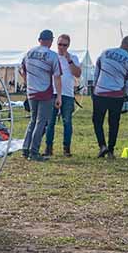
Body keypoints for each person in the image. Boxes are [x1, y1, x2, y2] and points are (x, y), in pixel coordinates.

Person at [19, 29, 63, 162]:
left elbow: (22, 71)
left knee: (33, 120)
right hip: (45, 92)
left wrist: (29, 84)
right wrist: (59, 96)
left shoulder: (29, 53)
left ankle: (25, 148)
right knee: (41, 122)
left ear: (39, 40)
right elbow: (57, 77)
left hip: (31, 91)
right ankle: (34, 151)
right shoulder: (52, 55)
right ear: (50, 41)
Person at [91, 36, 128, 159]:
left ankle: (102, 146)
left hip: (100, 92)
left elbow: (97, 70)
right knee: (114, 122)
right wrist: (124, 92)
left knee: (97, 120)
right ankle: (111, 150)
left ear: (121, 43)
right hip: (116, 95)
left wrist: (95, 86)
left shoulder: (105, 52)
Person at [43, 34, 82, 157]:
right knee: (50, 122)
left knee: (67, 122)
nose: (62, 47)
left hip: (68, 94)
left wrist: (69, 60)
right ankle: (48, 148)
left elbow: (77, 74)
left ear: (68, 45)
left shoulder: (73, 58)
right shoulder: (52, 56)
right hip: (52, 93)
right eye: (60, 44)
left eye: (64, 45)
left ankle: (66, 148)